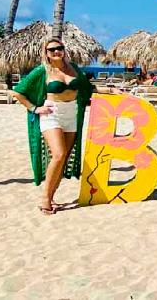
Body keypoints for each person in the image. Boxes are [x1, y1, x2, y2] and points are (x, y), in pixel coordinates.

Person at [11, 37, 122, 215]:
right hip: (51, 114)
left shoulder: (74, 68)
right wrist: (35, 108)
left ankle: (52, 197)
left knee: (63, 158)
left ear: (63, 50)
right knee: (59, 154)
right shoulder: (42, 71)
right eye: (52, 49)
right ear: (46, 54)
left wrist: (110, 90)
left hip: (72, 114)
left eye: (59, 48)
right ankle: (45, 199)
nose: (56, 51)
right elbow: (17, 92)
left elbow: (88, 88)